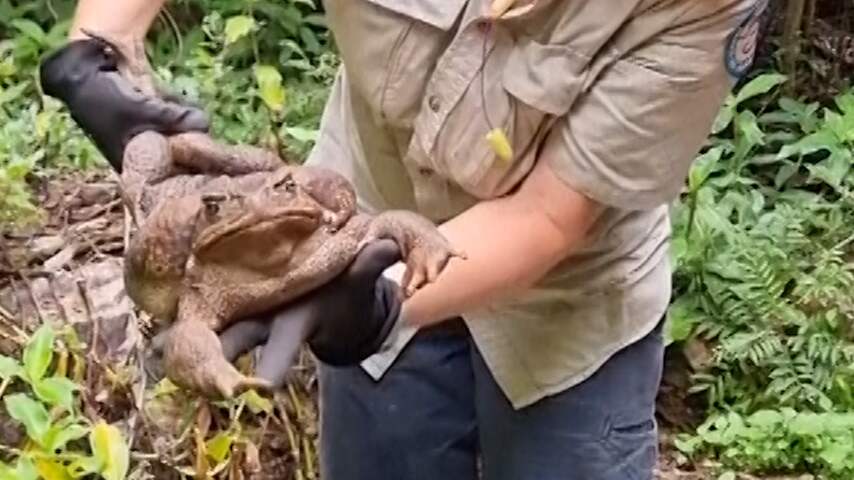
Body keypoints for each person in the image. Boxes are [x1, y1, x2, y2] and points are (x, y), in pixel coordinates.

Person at [40, 0, 767, 478]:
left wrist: (375, 296)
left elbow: (550, 217)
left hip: (564, 300)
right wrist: (101, 43)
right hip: (349, 211)